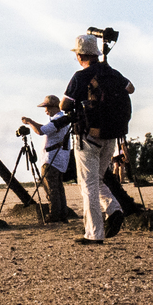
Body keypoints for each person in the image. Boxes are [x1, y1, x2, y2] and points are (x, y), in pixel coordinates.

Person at [62, 35, 134, 245]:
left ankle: (94, 233)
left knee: (88, 185)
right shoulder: (112, 73)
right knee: (98, 179)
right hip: (110, 134)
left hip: (87, 136)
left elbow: (64, 106)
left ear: (79, 55)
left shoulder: (80, 76)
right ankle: (113, 209)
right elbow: (130, 88)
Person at [20, 94, 72, 223]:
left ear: (53, 107)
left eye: (46, 107)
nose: (45, 111)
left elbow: (41, 131)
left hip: (52, 159)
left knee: (51, 188)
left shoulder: (58, 119)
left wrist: (29, 122)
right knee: (58, 188)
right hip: (59, 158)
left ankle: (54, 215)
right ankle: (62, 214)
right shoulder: (60, 120)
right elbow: (46, 128)